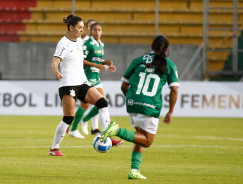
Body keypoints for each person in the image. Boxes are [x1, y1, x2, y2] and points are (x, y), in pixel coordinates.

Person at [100, 35, 179, 179]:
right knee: (147, 141)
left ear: (151, 46)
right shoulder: (169, 64)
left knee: (139, 138)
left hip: (132, 102)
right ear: (166, 49)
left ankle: (134, 170)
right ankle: (116, 129)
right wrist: (171, 111)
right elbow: (174, 90)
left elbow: (124, 86)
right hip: (150, 106)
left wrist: (132, 100)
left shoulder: (138, 60)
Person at [49, 15, 113, 157]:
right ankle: (54, 148)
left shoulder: (79, 41)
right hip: (68, 84)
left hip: (82, 82)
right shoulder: (63, 43)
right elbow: (55, 61)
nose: (81, 30)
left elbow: (84, 59)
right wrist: (56, 72)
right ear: (71, 27)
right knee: (68, 117)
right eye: (79, 27)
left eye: (83, 28)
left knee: (102, 102)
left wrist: (102, 63)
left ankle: (106, 135)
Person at [69, 23, 124, 146]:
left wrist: (105, 63)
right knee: (85, 104)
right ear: (91, 31)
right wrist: (97, 65)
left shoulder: (101, 44)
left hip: (96, 78)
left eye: (99, 30)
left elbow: (95, 59)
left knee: (103, 102)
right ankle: (74, 129)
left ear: (102, 31)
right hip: (87, 78)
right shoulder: (88, 43)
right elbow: (81, 60)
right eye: (95, 30)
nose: (97, 32)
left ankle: (93, 126)